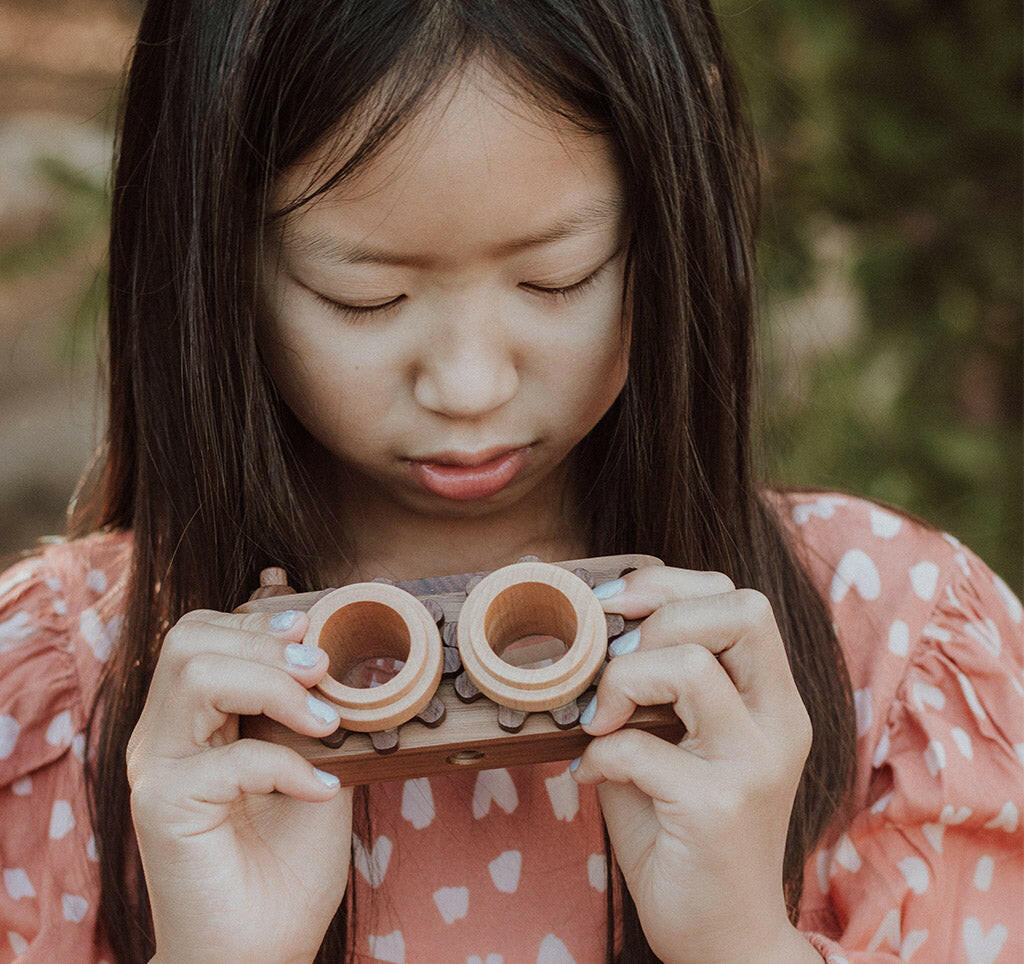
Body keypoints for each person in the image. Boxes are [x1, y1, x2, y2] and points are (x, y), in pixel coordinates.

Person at [1, 1, 1020, 961]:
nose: (468, 384)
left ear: (667, 229)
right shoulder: (58, 699)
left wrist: (741, 937)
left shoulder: (894, 653)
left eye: (555, 279)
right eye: (365, 296)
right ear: (212, 265)